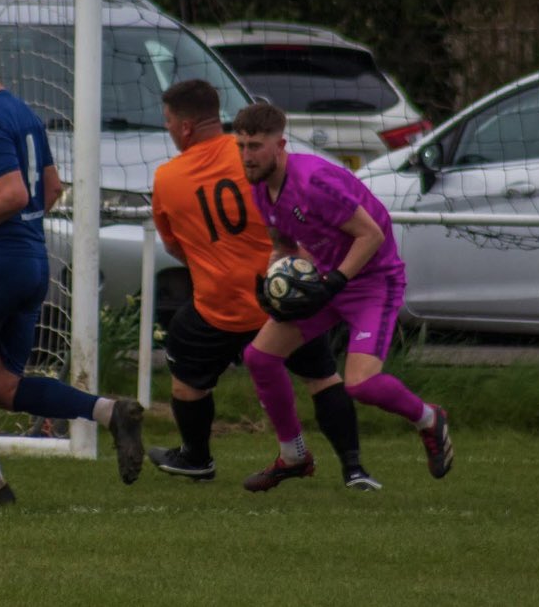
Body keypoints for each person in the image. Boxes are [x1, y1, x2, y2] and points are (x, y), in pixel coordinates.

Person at [0, 23, 144, 504]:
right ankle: (110, 412)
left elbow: (16, 193)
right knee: (3, 385)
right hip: (31, 261)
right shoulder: (23, 113)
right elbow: (51, 189)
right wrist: (17, 229)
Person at [148, 79, 380, 491]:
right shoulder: (253, 156)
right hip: (281, 298)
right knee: (322, 378)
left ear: (183, 128)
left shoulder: (167, 178)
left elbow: (177, 249)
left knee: (186, 375)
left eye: (167, 121)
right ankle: (354, 468)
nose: (167, 130)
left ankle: (196, 457)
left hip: (220, 307)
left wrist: (213, 262)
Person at [232, 101, 453, 491]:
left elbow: (371, 235)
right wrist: (273, 283)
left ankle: (428, 418)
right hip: (326, 276)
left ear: (280, 145)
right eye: (242, 146)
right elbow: (285, 245)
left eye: (255, 147)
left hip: (372, 282)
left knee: (361, 385)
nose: (247, 156)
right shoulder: (262, 191)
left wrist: (334, 281)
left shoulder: (313, 182)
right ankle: (294, 455)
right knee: (260, 357)